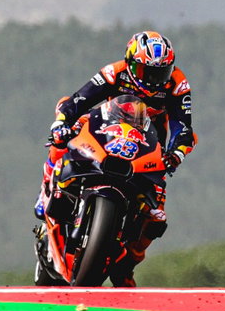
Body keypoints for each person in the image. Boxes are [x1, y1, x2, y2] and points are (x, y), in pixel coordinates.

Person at [35, 30, 196, 286]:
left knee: (155, 214)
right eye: (146, 72)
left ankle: (127, 266)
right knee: (64, 139)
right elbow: (77, 100)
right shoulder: (113, 73)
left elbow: (183, 128)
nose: (154, 80)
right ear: (131, 64)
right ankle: (49, 185)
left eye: (160, 73)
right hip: (105, 129)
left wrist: (175, 153)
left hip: (148, 144)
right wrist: (63, 123)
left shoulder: (177, 84)